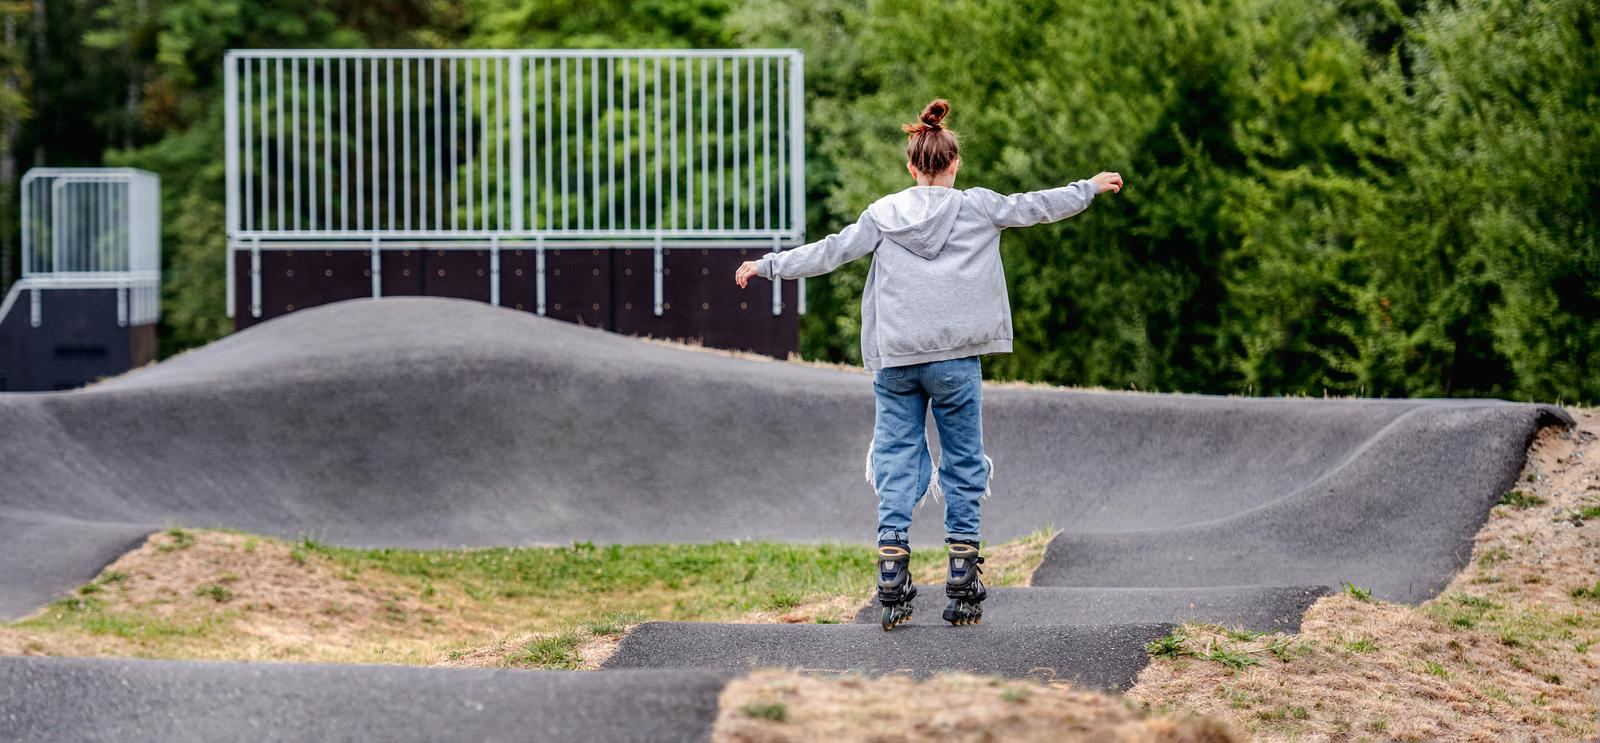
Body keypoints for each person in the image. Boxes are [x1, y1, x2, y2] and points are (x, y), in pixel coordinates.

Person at [734, 99, 1123, 629]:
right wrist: (1088, 188)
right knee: (963, 460)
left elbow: (830, 252)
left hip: (896, 361)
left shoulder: (882, 214)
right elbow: (1036, 205)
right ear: (955, 164)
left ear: (911, 167)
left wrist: (767, 265)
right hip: (955, 361)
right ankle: (962, 575)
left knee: (895, 458)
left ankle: (892, 569)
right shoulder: (979, 206)